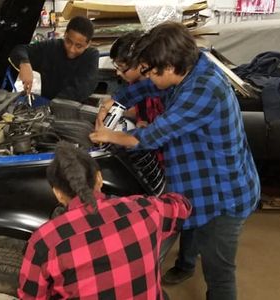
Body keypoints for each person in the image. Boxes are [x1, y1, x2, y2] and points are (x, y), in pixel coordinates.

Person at [90, 22, 260, 300]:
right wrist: (115, 102)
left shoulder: (204, 89)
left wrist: (107, 135)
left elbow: (152, 135)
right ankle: (185, 264)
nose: (149, 79)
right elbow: (146, 87)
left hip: (222, 197)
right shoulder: (189, 67)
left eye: (153, 72)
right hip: (195, 183)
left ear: (169, 67)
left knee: (219, 274)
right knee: (182, 233)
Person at [18, 141, 191, 299]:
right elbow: (183, 206)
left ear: (58, 193)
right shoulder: (146, 210)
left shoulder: (44, 242)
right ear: (99, 178)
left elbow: (30, 297)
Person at [9, 16, 99, 103]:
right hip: (45, 103)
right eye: (68, 41)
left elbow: (84, 87)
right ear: (65, 34)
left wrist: (55, 104)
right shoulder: (52, 47)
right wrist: (24, 64)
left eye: (78, 46)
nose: (72, 49)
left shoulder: (91, 56)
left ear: (88, 44)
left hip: (73, 108)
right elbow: (19, 50)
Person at [109, 31, 165, 165]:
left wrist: (110, 136)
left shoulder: (160, 87)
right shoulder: (134, 83)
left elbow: (161, 131)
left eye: (122, 67)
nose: (118, 72)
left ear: (140, 63)